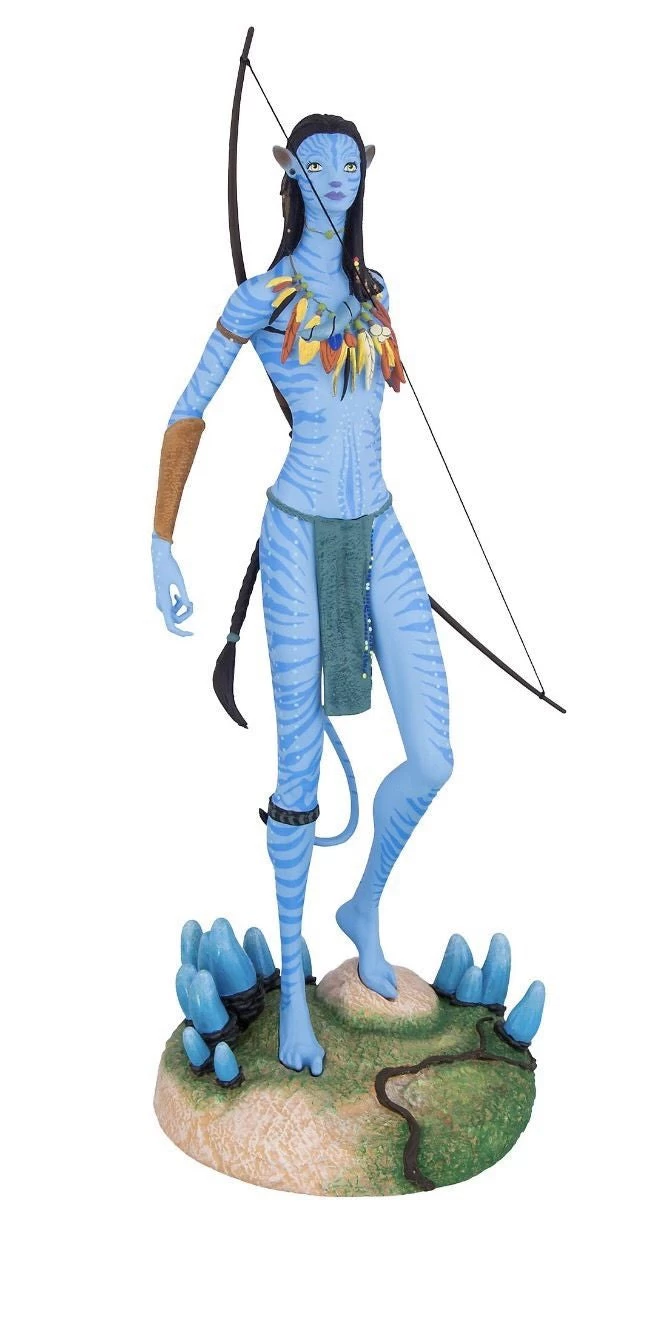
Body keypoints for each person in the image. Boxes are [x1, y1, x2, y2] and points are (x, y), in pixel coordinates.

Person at [152, 114, 453, 1075]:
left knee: (434, 756)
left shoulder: (374, 293)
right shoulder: (260, 298)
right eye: (315, 162)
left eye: (348, 163)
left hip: (380, 533)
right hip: (295, 538)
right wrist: (160, 539)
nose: (334, 176)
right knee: (298, 779)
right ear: (290, 172)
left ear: (365, 174)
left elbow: (383, 392)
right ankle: (291, 995)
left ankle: (362, 904)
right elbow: (188, 408)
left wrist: (371, 311)